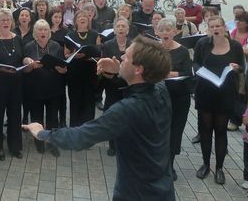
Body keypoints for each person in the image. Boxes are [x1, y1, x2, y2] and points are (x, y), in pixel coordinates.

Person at [24, 36, 174, 201]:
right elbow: (149, 80)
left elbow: (81, 137)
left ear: (138, 69)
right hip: (163, 188)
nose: (121, 57)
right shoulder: (161, 90)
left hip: (137, 192)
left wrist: (42, 133)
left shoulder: (127, 110)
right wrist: (121, 71)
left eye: (127, 56)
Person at [193, 16, 245, 185]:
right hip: (205, 92)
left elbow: (241, 67)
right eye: (212, 26)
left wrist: (237, 68)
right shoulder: (203, 44)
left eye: (218, 26)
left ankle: (220, 168)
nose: (215, 29)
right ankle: (206, 164)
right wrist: (199, 71)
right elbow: (195, 63)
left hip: (225, 94)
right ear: (208, 28)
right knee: (206, 129)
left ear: (224, 28)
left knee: (221, 131)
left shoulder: (235, 46)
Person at [22, 20, 66, 157]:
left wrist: (61, 69)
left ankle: (52, 142)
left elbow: (63, 68)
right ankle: (39, 140)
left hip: (53, 89)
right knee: (37, 117)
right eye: (40, 30)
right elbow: (25, 70)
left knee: (53, 118)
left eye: (46, 30)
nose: (43, 32)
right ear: (35, 33)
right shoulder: (29, 46)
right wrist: (29, 65)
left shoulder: (56, 46)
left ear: (49, 32)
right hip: (35, 89)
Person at [157, 19, 193, 181]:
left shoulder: (183, 51)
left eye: (168, 29)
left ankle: (169, 165)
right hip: (158, 97)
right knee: (159, 131)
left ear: (174, 32)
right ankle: (157, 164)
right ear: (157, 32)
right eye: (162, 30)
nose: (165, 32)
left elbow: (186, 72)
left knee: (174, 132)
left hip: (179, 98)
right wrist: (170, 73)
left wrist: (165, 73)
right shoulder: (154, 49)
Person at [0, 9, 25, 160]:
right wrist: (3, 68)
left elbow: (21, 58)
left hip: (16, 83)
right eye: (2, 20)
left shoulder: (18, 38)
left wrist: (26, 61)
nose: (5, 23)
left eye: (8, 20)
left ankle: (15, 146)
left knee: (15, 115)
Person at [99, 17, 131, 156]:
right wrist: (111, 74)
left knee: (127, 116)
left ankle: (125, 143)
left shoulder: (133, 45)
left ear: (128, 29)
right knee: (112, 115)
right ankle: (112, 144)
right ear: (114, 29)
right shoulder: (107, 45)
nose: (121, 29)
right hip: (112, 85)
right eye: (118, 26)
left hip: (128, 86)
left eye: (124, 26)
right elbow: (104, 66)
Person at [65, 9, 101, 126]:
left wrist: (90, 56)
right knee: (75, 101)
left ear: (89, 20)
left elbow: (99, 53)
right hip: (74, 73)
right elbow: (65, 55)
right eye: (79, 16)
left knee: (89, 101)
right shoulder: (70, 35)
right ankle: (75, 129)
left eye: (85, 16)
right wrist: (74, 55)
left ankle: (88, 129)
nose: (82, 18)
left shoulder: (95, 34)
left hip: (90, 72)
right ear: (75, 20)